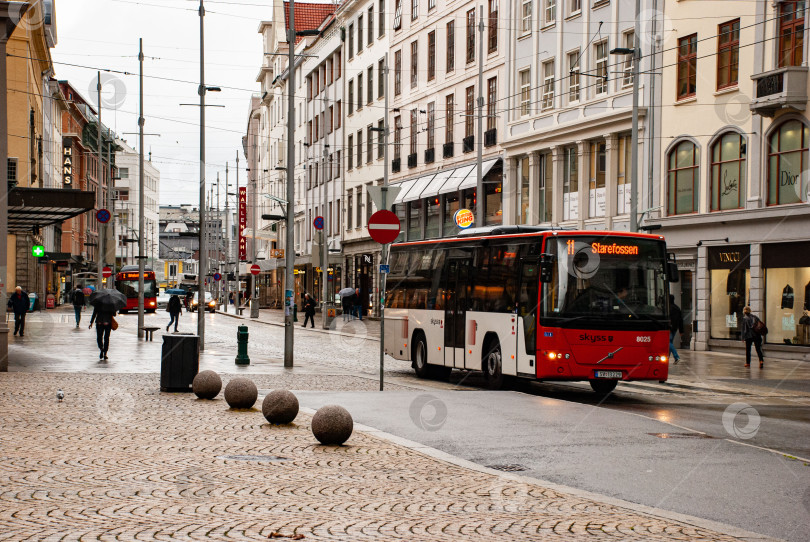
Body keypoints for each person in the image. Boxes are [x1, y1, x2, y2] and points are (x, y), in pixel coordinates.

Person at [669, 294, 683, 364]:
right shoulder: (677, 308)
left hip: (669, 328)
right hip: (675, 328)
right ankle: (667, 358)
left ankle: (676, 357)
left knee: (668, 342)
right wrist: (681, 330)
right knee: (669, 342)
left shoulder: (669, 308)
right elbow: (681, 320)